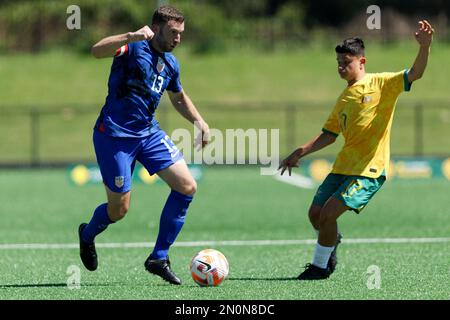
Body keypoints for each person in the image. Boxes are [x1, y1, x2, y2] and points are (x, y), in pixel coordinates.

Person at [279, 20, 434, 280]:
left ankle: (320, 268)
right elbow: (329, 135)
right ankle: (331, 243)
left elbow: (415, 73)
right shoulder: (344, 98)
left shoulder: (383, 83)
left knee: (328, 214)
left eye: (346, 63)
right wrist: (299, 152)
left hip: (368, 170)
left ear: (362, 62)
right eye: (338, 63)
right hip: (343, 166)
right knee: (315, 214)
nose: (341, 67)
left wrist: (425, 47)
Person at [78, 5, 209, 285]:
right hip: (114, 136)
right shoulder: (133, 47)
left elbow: (178, 97)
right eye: (173, 32)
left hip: (149, 134)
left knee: (187, 186)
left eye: (181, 33)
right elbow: (96, 50)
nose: (178, 38)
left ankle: (158, 257)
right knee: (119, 211)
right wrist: (130, 36)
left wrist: (199, 122)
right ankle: (87, 234)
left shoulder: (172, 63)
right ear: (157, 27)